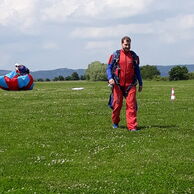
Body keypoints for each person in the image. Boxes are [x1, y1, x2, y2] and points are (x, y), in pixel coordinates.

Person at [106, 36, 143, 131]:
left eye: (129, 44)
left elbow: (137, 70)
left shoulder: (134, 56)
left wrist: (141, 82)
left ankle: (132, 127)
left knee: (131, 106)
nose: (127, 46)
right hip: (118, 84)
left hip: (130, 85)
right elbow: (109, 68)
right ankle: (115, 122)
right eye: (125, 44)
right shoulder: (115, 55)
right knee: (117, 105)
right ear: (122, 44)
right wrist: (110, 78)